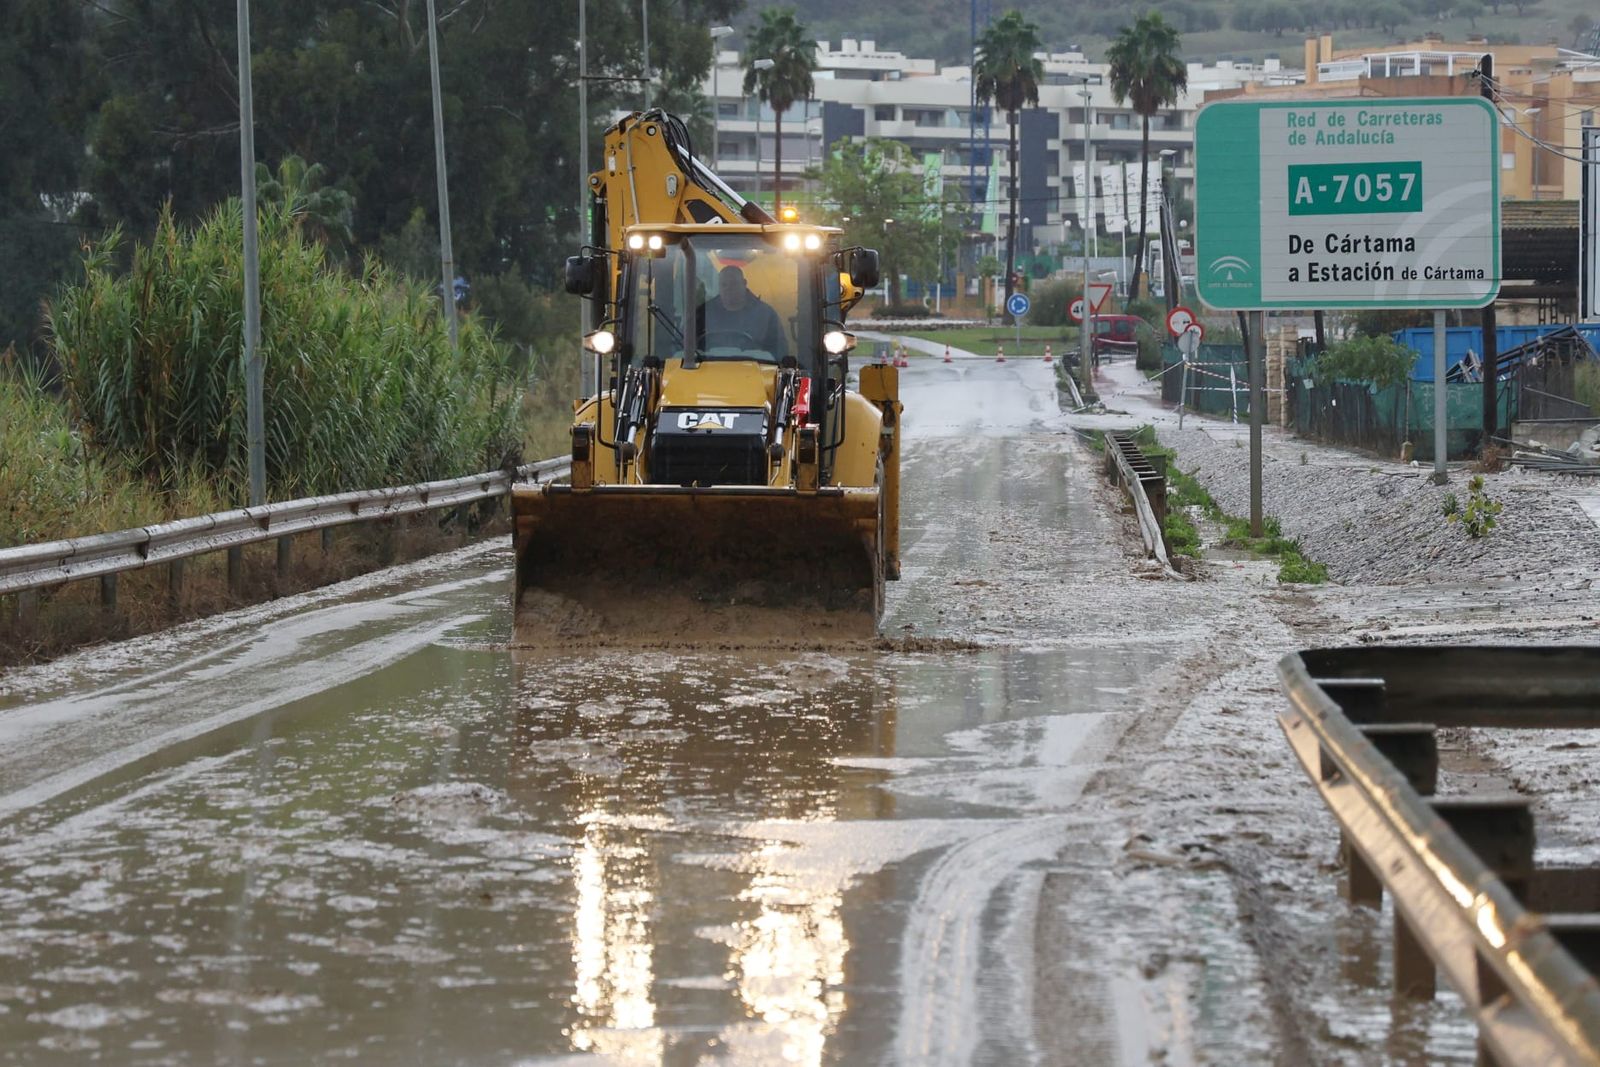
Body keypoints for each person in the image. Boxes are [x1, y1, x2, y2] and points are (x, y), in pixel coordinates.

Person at [697, 265, 787, 360]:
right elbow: (685, 348)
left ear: (744, 283)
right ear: (719, 286)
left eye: (734, 284)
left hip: (755, 371)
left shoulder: (766, 315)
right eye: (724, 285)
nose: (728, 289)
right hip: (708, 370)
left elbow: (779, 351)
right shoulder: (702, 313)